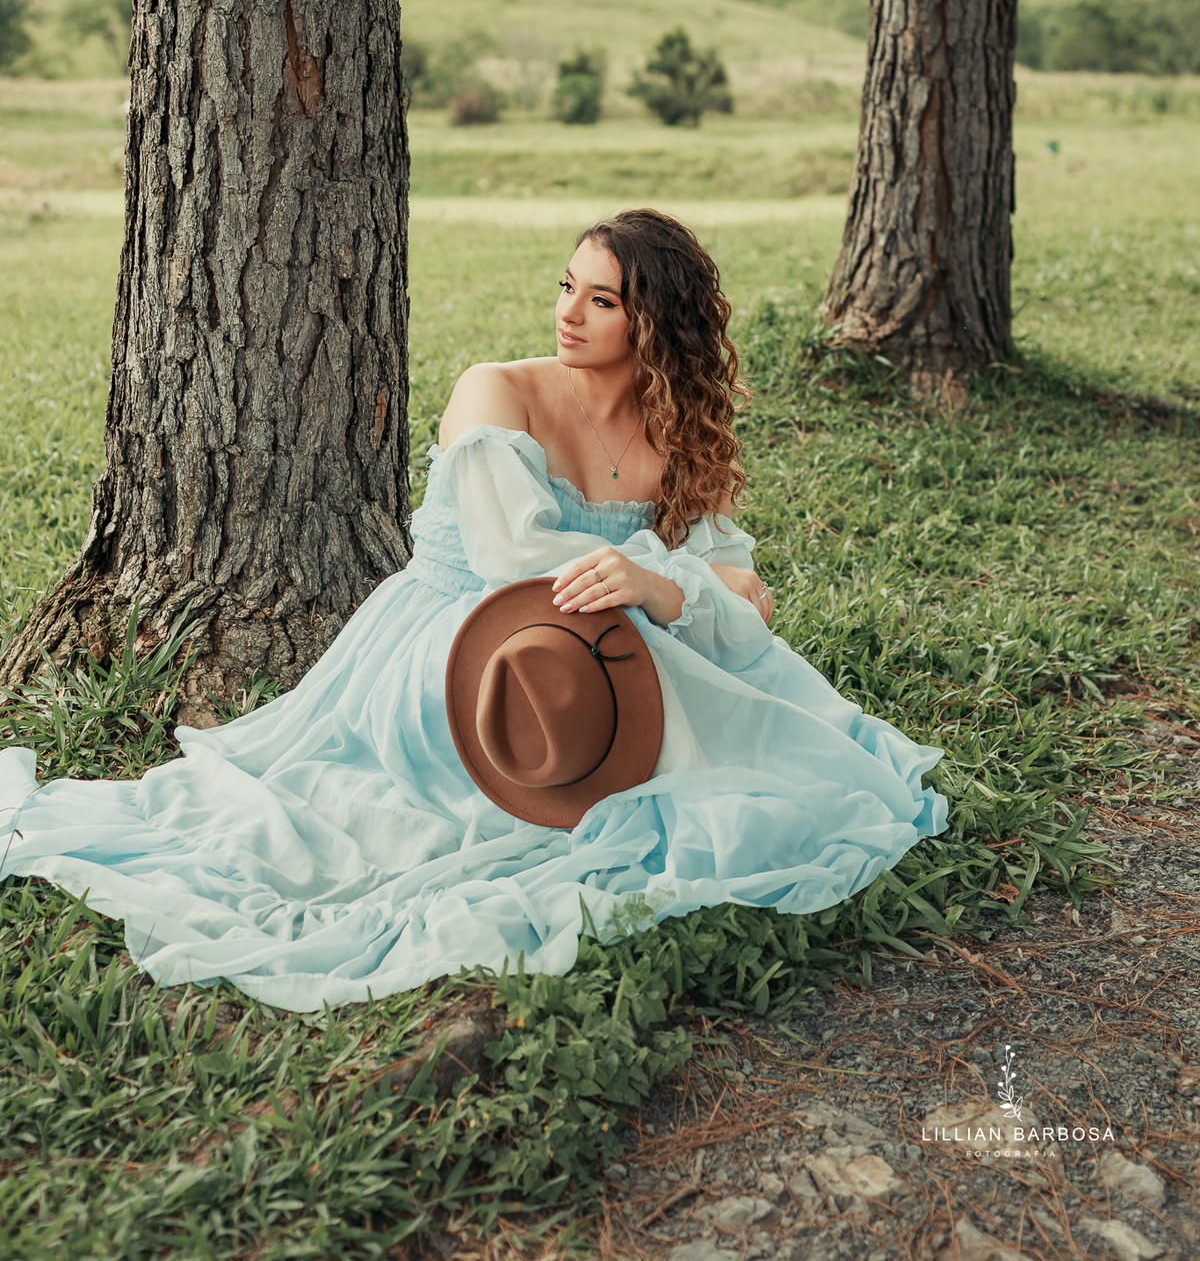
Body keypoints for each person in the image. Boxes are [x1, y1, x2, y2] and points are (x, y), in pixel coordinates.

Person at [0, 210, 945, 1012]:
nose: (568, 312)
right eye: (567, 285)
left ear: (654, 323)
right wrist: (666, 581)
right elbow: (511, 557)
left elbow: (740, 593)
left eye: (602, 299)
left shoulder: (675, 432)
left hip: (603, 647)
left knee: (735, 696)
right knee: (618, 683)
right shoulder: (497, 388)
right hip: (464, 640)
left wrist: (665, 585)